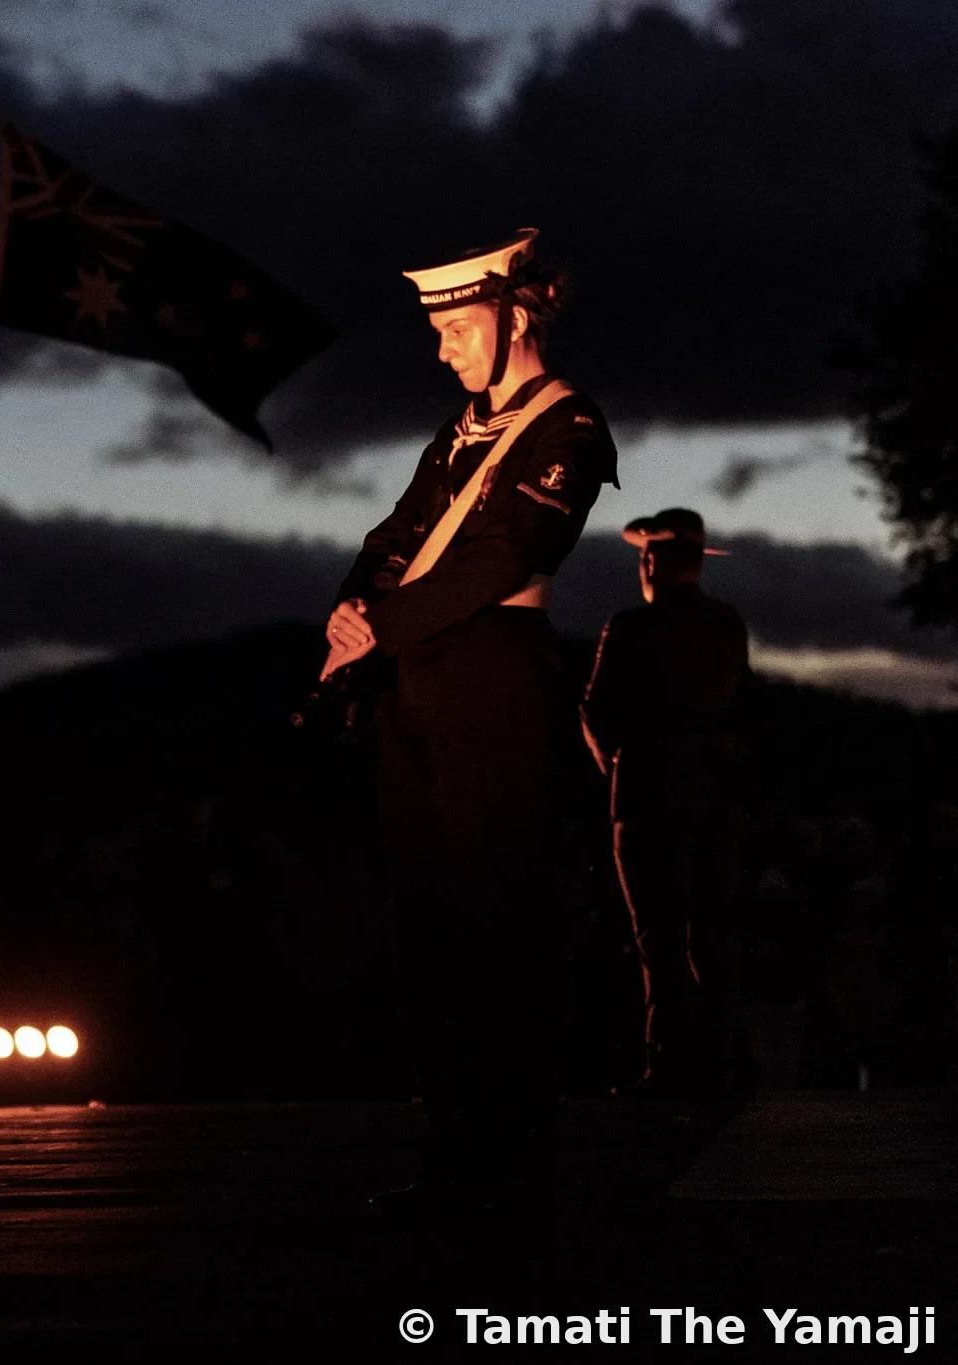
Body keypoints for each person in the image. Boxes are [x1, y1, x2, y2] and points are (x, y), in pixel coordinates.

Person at [321, 228, 618, 1235]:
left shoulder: (566, 430)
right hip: (417, 686)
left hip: (492, 684)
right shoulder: (457, 434)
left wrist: (380, 626)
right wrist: (349, 609)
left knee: (502, 927)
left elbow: (503, 554)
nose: (443, 347)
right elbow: (396, 536)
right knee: (433, 933)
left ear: (513, 316)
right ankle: (455, 1158)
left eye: (456, 325)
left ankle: (519, 1165)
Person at [580, 508, 753, 1110]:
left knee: (659, 938)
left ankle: (669, 1069)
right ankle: (718, 1067)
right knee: (714, 934)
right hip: (719, 793)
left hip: (651, 794)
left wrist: (622, 765)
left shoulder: (630, 628)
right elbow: (748, 711)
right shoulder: (729, 625)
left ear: (649, 562)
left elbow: (596, 712)